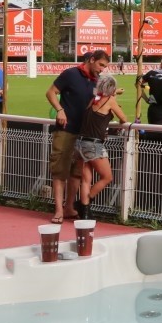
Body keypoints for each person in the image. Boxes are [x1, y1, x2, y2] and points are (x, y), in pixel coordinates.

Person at [45, 50, 110, 223]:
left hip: (84, 135)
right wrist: (60, 110)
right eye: (101, 65)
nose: (102, 69)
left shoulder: (97, 81)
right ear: (91, 60)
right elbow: (50, 92)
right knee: (60, 170)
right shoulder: (70, 74)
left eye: (105, 67)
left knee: (76, 173)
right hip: (65, 130)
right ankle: (58, 210)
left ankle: (69, 208)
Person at [73, 73, 132, 220]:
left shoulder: (94, 100)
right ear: (112, 89)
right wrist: (115, 102)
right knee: (107, 177)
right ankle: (83, 204)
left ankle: (85, 214)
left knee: (86, 179)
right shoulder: (110, 100)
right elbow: (123, 119)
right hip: (93, 144)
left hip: (79, 143)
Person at [139, 56, 162, 125]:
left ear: (161, 63)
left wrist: (146, 99)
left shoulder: (151, 73)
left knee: (152, 131)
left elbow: (137, 84)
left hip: (152, 109)